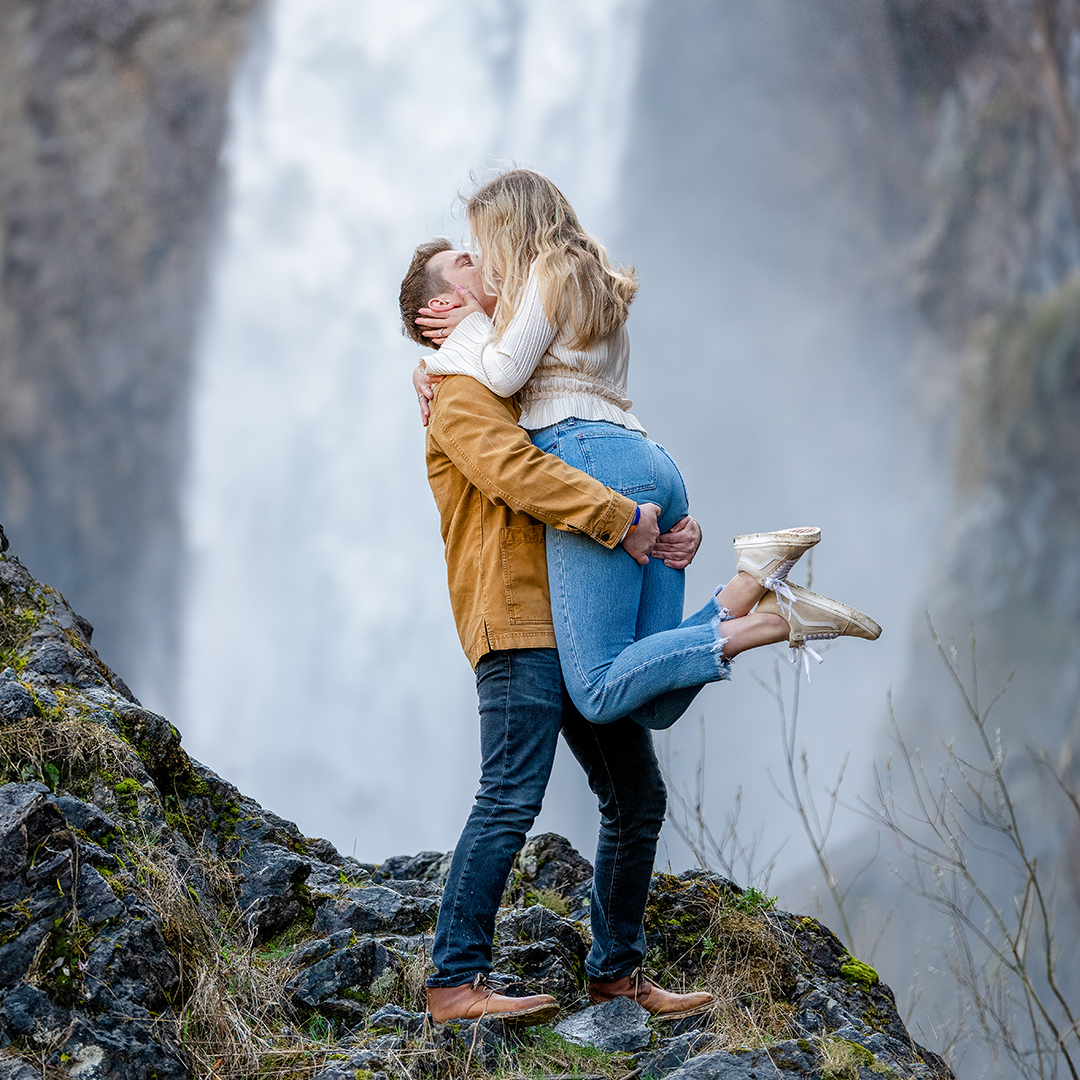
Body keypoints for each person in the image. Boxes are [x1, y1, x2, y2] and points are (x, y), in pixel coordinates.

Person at [411, 170, 880, 729]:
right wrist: (429, 361)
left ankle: (771, 624)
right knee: (653, 700)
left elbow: (506, 377)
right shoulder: (590, 279)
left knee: (598, 689)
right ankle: (750, 585)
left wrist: (456, 340)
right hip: (649, 461)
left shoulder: (542, 275)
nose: (483, 259)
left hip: (591, 460)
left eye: (483, 244)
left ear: (512, 231)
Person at [407, 344, 716, 1025]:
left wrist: (666, 530)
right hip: (517, 620)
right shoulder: (460, 393)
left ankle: (616, 974)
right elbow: (518, 473)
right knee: (510, 795)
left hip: (577, 623)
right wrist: (624, 516)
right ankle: (454, 983)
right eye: (464, 261)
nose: (486, 265)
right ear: (438, 308)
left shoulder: (515, 385)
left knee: (636, 796)